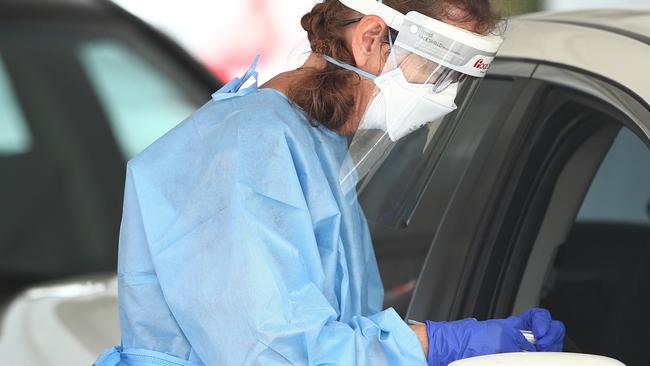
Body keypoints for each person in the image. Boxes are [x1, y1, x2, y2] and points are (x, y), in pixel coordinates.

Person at [95, 0, 565, 365]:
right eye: (439, 71)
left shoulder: (316, 143)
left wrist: (438, 341)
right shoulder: (245, 149)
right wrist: (441, 344)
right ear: (371, 37)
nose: (444, 98)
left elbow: (330, 322)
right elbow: (279, 351)